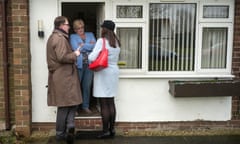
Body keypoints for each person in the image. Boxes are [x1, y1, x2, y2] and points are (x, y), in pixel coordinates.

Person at [46, 16, 82, 143]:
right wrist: (75, 54)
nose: (69, 27)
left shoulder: (55, 37)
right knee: (64, 106)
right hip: (64, 77)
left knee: (72, 103)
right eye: (67, 24)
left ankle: (70, 126)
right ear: (61, 25)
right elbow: (62, 57)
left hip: (64, 76)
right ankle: (61, 133)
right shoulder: (59, 38)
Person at [88, 20, 121, 139]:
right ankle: (112, 130)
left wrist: (88, 55)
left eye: (102, 27)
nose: (101, 29)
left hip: (103, 73)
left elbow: (92, 57)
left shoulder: (101, 41)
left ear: (105, 29)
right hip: (113, 73)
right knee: (111, 102)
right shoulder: (116, 42)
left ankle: (105, 131)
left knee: (104, 104)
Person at [70, 19, 96, 114]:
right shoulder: (73, 37)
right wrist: (89, 46)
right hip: (79, 65)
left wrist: (82, 46)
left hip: (89, 65)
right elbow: (75, 48)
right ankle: (75, 108)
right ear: (75, 29)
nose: (81, 30)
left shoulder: (90, 34)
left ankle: (85, 106)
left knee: (87, 86)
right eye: (78, 28)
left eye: (82, 27)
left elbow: (95, 46)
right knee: (76, 87)